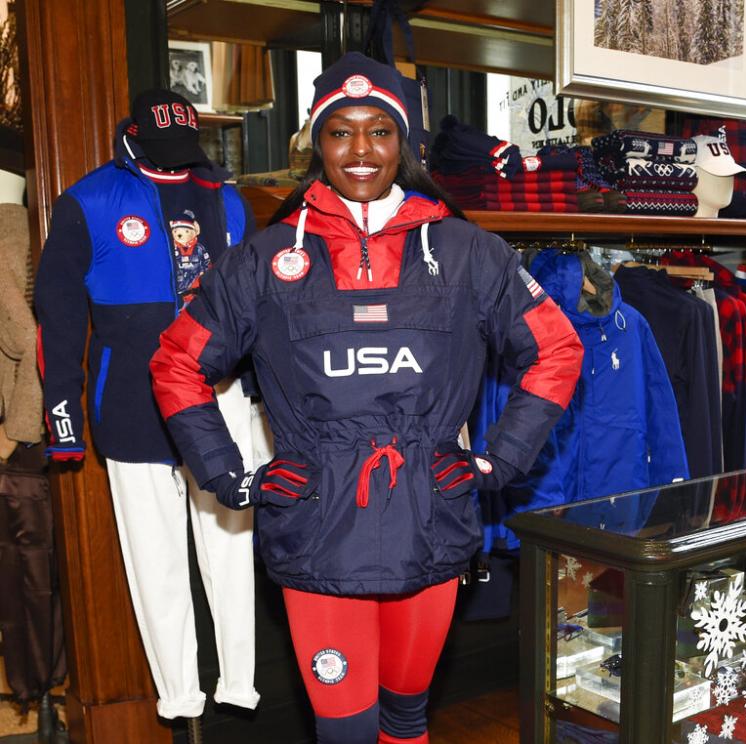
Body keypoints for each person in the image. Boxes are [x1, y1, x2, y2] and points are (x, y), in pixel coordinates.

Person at [149, 52, 583, 744]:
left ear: (402, 141)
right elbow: (176, 362)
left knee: (406, 717)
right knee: (346, 731)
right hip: (317, 531)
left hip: (428, 522)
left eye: (379, 131)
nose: (360, 149)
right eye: (340, 131)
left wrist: (498, 461)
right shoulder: (264, 261)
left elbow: (557, 349)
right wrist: (229, 476)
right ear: (316, 143)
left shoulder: (468, 253)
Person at [34, 89, 266, 721]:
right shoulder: (88, 201)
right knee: (155, 557)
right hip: (131, 401)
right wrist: (63, 417)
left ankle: (238, 682)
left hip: (219, 394)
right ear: (132, 136)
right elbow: (58, 317)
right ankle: (180, 694)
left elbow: (259, 311)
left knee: (231, 548)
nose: (176, 160)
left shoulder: (227, 201)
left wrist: (265, 397)